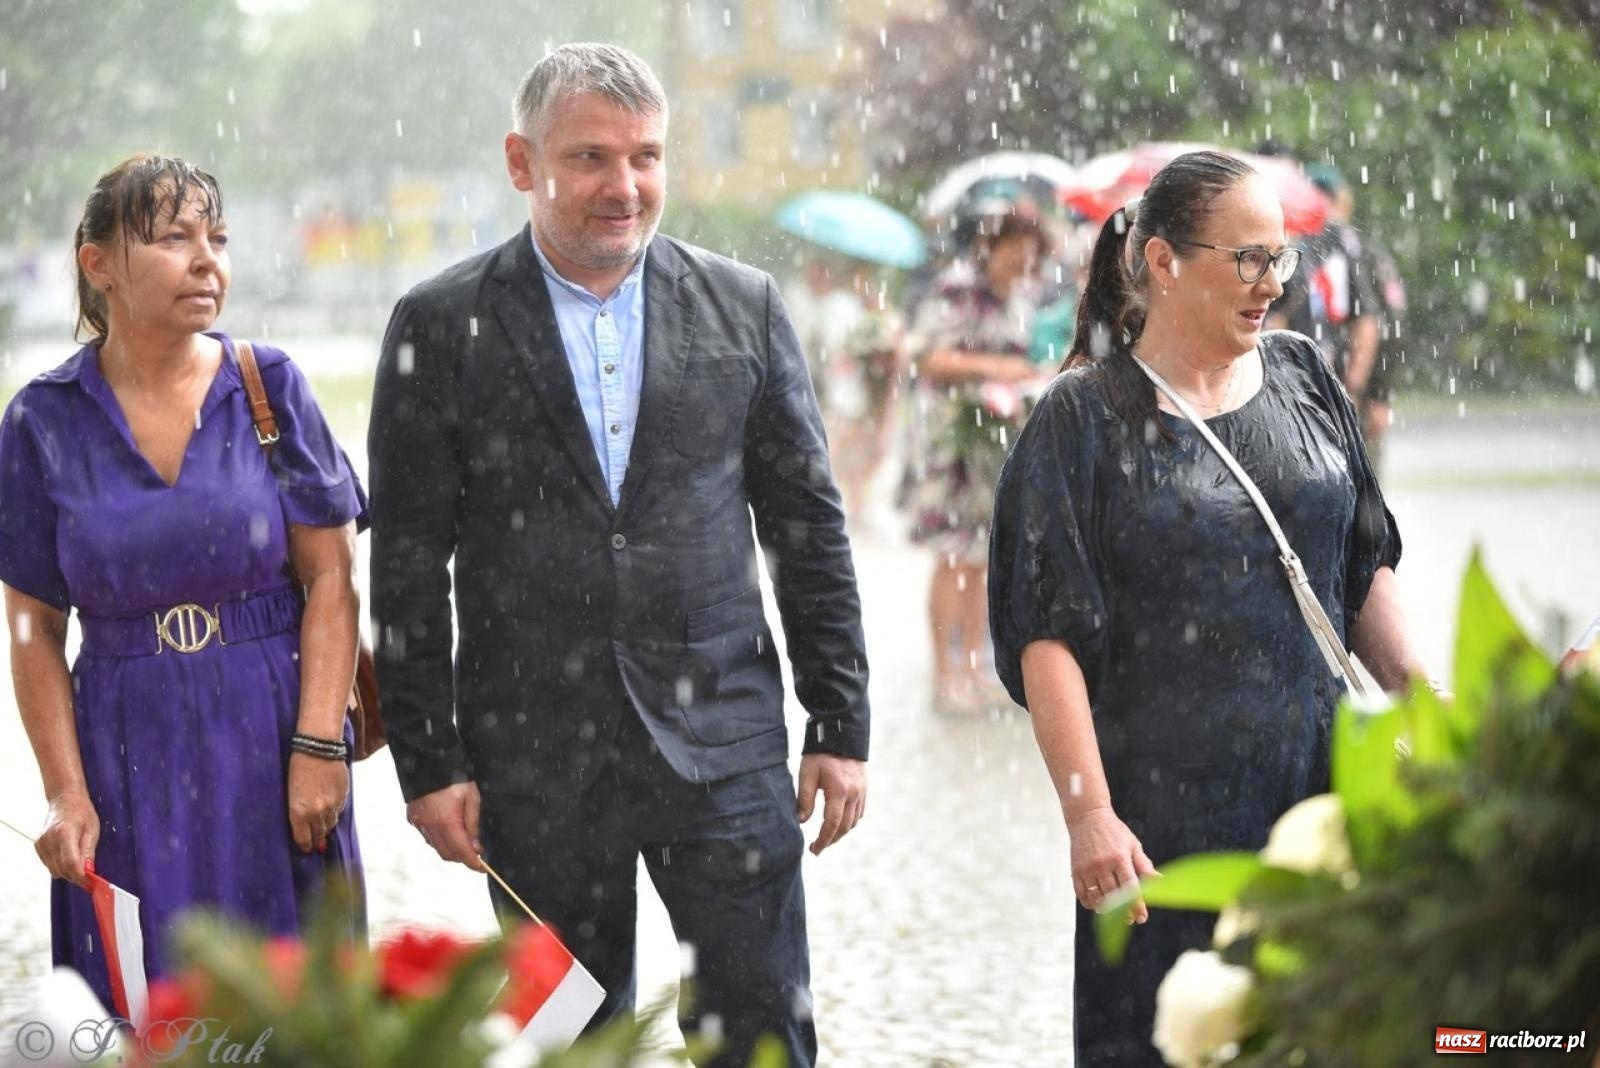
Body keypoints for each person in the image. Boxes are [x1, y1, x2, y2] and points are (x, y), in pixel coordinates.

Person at [367, 44, 869, 1066]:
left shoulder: (744, 307)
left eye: (646, 156)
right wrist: (430, 759)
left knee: (762, 1033)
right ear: (522, 162)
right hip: (532, 758)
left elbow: (808, 528)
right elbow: (410, 563)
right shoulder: (440, 323)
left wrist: (840, 720)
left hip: (724, 747)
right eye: (590, 157)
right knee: (566, 1044)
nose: (624, 186)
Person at [988, 151, 1427, 1064]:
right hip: (1161, 823)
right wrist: (1089, 814)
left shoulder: (1306, 377)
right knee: (1166, 1035)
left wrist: (1429, 705)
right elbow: (1046, 634)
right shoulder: (1083, 417)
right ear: (1162, 261)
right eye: (1248, 260)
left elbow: (1359, 563)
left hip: (1319, 793)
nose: (1272, 284)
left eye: (1281, 259)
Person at [0, 156, 367, 1009]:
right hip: (123, 745)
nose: (209, 261)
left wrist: (319, 746)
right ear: (99, 265)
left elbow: (333, 579)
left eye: (220, 238)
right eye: (174, 239)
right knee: (145, 1001)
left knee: (301, 1006)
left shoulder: (267, 385)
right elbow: (32, 630)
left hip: (274, 729)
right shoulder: (41, 421)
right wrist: (64, 794)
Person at [903, 210, 1048, 713]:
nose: (1021, 265)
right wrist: (994, 367)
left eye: (1030, 258)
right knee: (951, 555)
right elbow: (925, 356)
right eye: (1014, 254)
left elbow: (1024, 358)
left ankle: (971, 666)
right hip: (951, 442)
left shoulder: (1023, 298)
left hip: (995, 445)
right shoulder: (957, 289)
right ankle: (946, 674)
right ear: (993, 246)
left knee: (984, 558)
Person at [784, 252, 903, 525]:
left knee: (862, 443)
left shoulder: (878, 313)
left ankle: (853, 498)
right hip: (841, 385)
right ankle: (839, 495)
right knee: (840, 438)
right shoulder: (835, 305)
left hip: (861, 386)